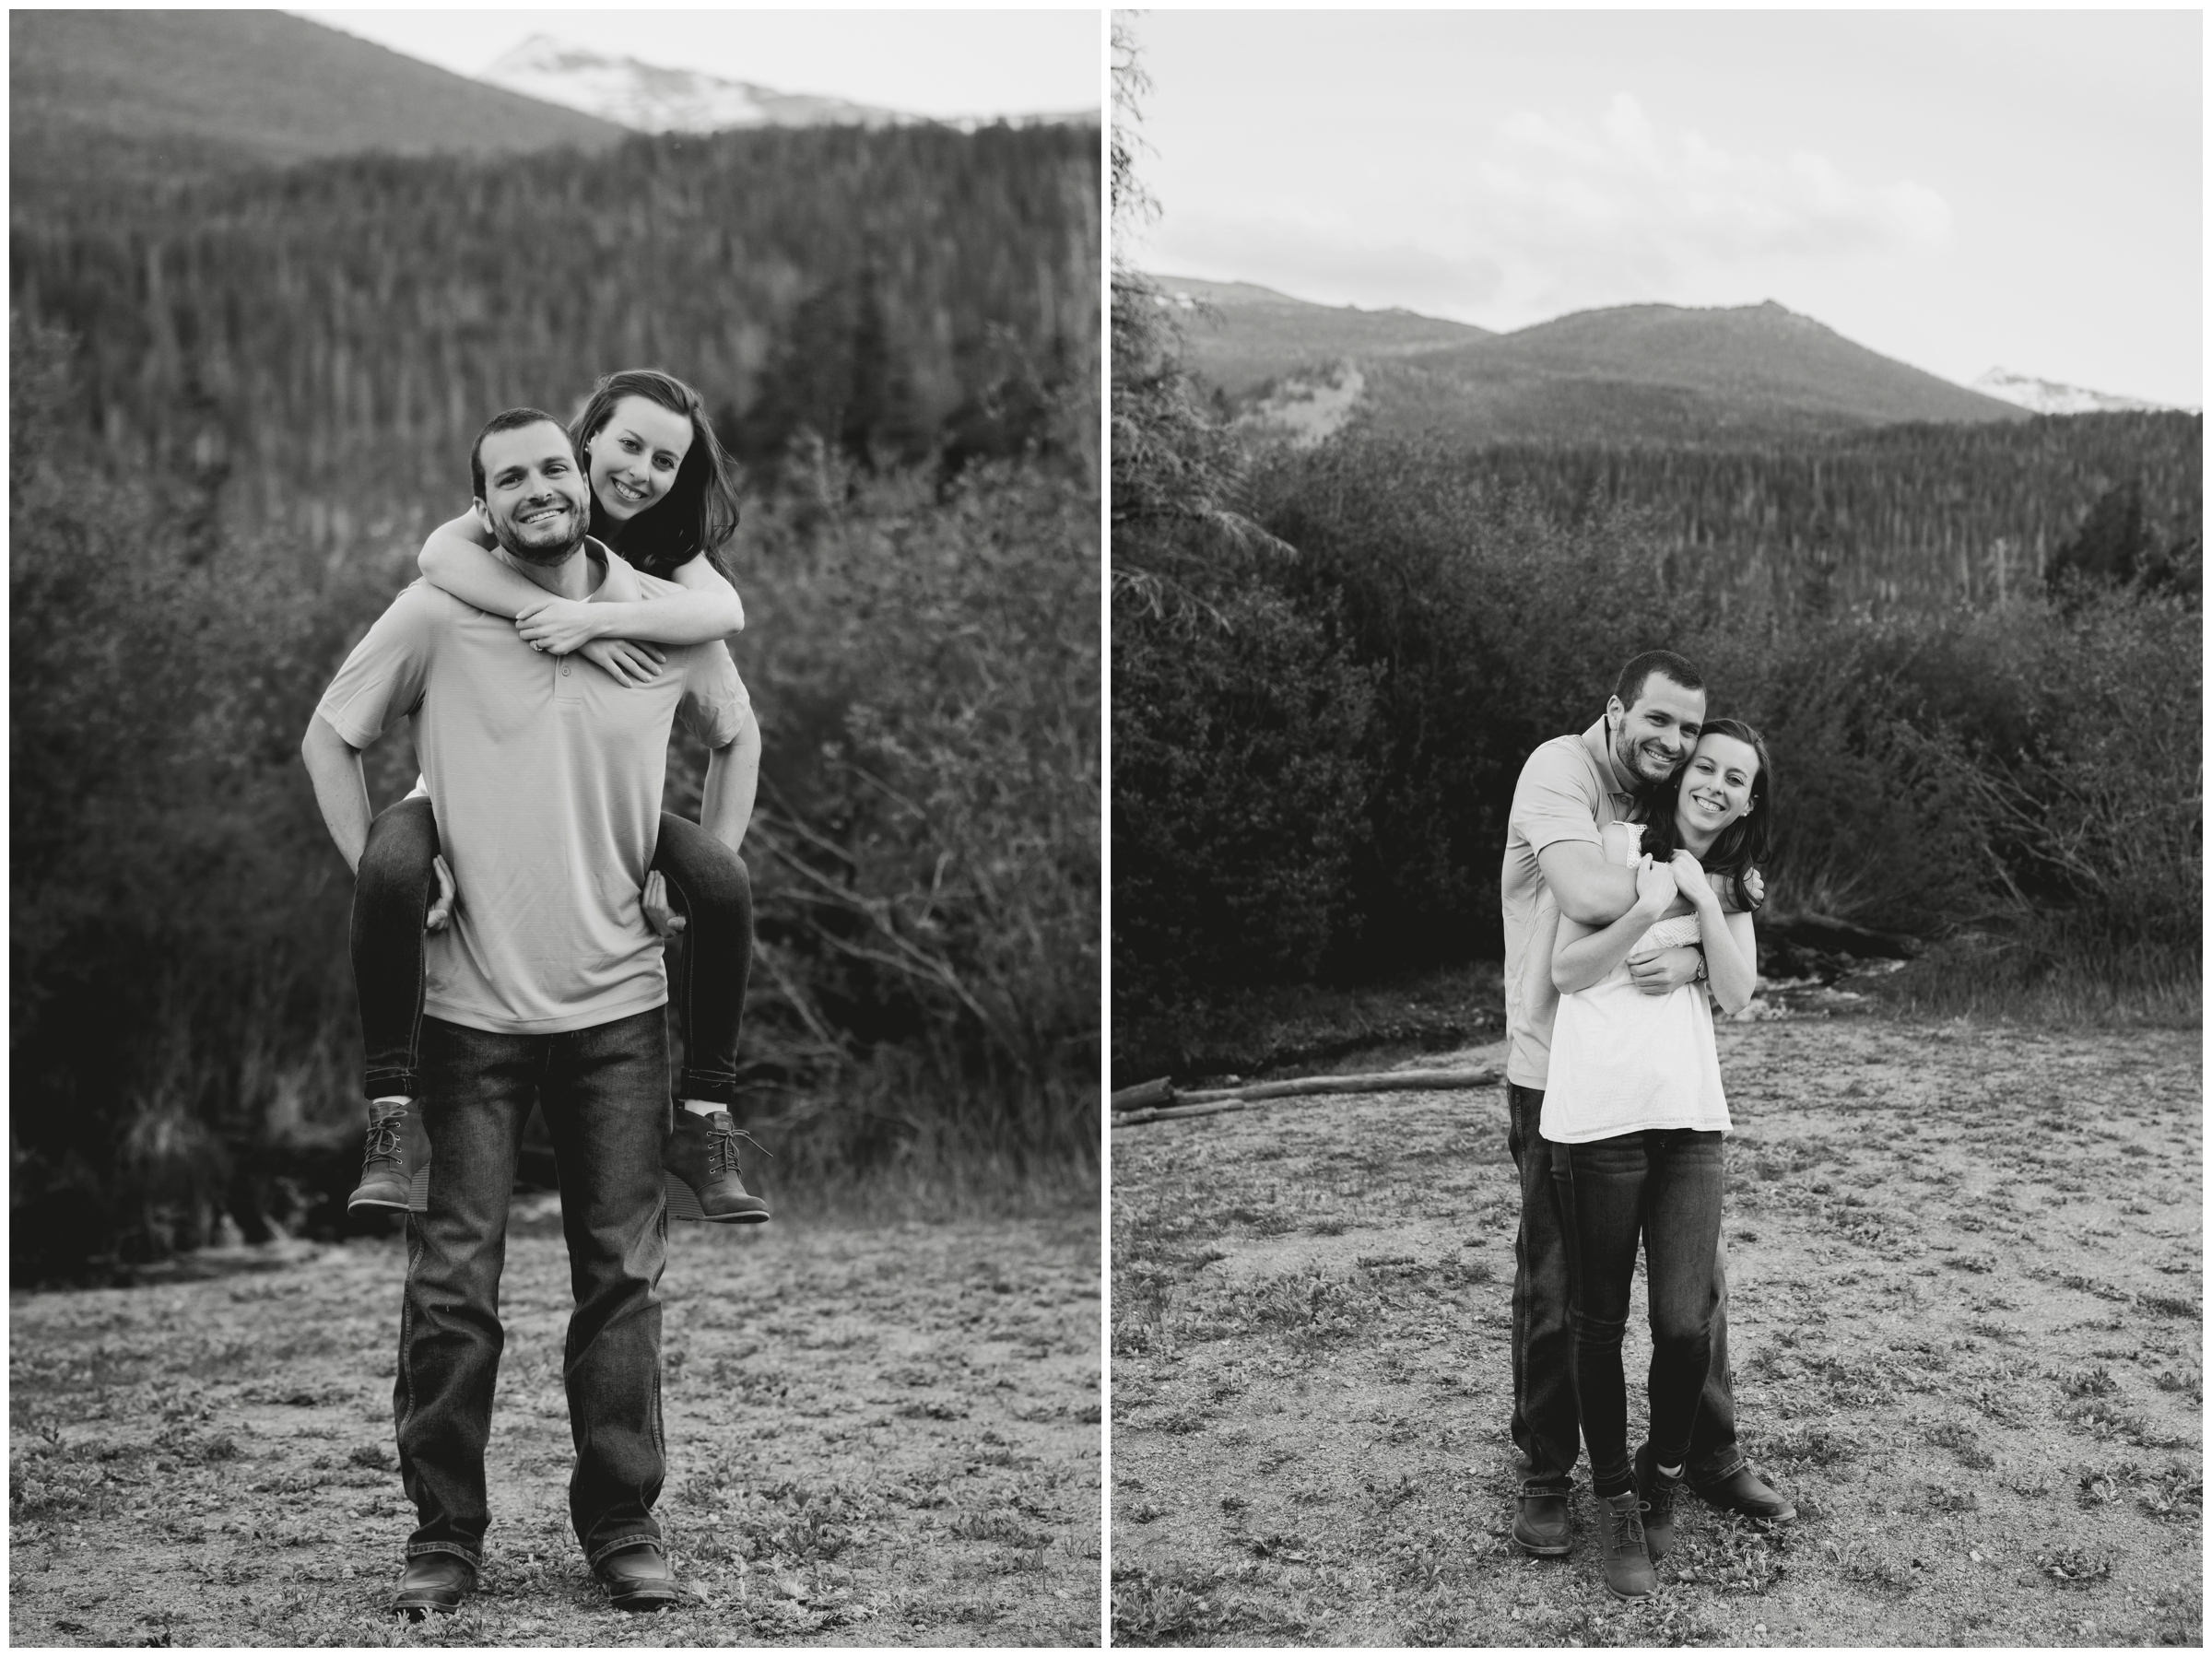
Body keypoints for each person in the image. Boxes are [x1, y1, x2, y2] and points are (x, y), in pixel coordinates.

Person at [300, 407, 759, 1616]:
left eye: (556, 466)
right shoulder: (442, 611)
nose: (542, 488)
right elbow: (330, 736)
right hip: (464, 1013)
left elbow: (737, 730)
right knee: (454, 1281)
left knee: (621, 1275)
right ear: (484, 501)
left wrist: (694, 865)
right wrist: (392, 876)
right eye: (512, 477)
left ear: (590, 480)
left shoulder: (658, 614)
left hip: (617, 1004)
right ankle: (444, 1537)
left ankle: (622, 1526)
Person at [344, 370, 767, 1226]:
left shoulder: (669, 560)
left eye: (666, 459)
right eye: (629, 445)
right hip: (464, 792)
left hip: (605, 803)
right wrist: (551, 624)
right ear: (585, 444)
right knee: (388, 867)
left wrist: (602, 623)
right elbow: (436, 556)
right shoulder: (521, 502)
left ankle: (707, 1116)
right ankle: (392, 1110)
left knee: (723, 884)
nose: (642, 470)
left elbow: (726, 620)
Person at [1498, 650, 1792, 1561]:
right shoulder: (1563, 770)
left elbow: (1722, 921)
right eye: (1657, 723)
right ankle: (1549, 1473)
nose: (1673, 742)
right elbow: (1586, 894)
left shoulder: (1655, 804)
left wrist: (1713, 935)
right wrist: (1698, 891)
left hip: (1656, 1092)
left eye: (1688, 731)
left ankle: (1708, 1451)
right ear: (1615, 710)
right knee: (1559, 1285)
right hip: (1556, 1069)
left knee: (1692, 1289)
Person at [1539, 720, 1768, 1599]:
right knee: (1599, 1323)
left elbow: (1741, 992)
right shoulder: (1615, 844)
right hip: (1598, 1116)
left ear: (1751, 799)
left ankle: (1665, 1475)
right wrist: (1649, 909)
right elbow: (1569, 969)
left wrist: (1701, 921)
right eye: (1704, 766)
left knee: (1684, 1322)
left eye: (1734, 777)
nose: (1713, 783)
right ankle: (1614, 1502)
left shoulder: (1733, 885)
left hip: (1688, 1120)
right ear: (1681, 778)